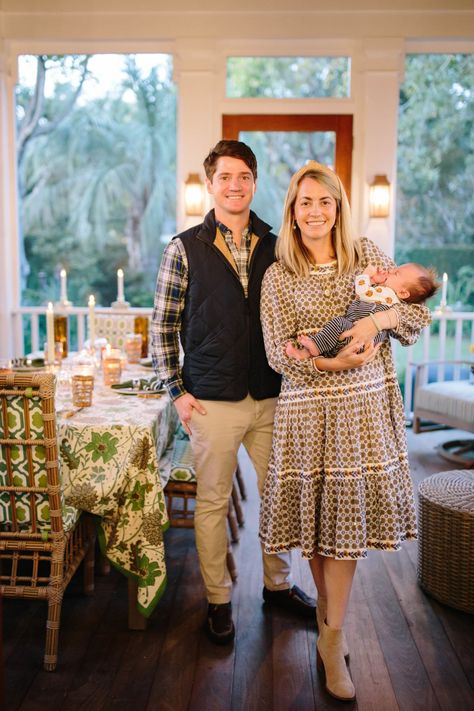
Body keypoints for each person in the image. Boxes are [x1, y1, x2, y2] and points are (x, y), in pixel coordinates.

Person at [258, 161, 431, 701]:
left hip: (361, 414)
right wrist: (329, 366)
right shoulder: (278, 274)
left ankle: (332, 639)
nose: (315, 211)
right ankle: (331, 633)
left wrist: (376, 322)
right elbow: (274, 351)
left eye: (324, 202)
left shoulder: (369, 256)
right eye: (305, 202)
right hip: (308, 410)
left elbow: (416, 318)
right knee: (316, 527)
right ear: (293, 209)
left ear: (338, 208)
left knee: (346, 528)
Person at [151, 140, 315, 646]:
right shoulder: (183, 247)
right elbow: (163, 327)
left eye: (244, 176)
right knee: (212, 504)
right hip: (211, 401)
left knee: (279, 498)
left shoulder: (278, 241)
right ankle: (218, 602)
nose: (235, 185)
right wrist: (177, 393)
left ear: (255, 182)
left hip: (271, 396)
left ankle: (277, 587)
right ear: (210, 183)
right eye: (225, 177)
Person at [289, 261, 438, 360]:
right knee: (337, 330)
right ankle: (312, 351)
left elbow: (361, 292)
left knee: (339, 323)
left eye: (396, 273)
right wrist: (374, 281)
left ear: (404, 293)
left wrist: (366, 275)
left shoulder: (390, 298)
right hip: (354, 335)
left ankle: (312, 348)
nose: (390, 269)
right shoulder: (383, 291)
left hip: (363, 340)